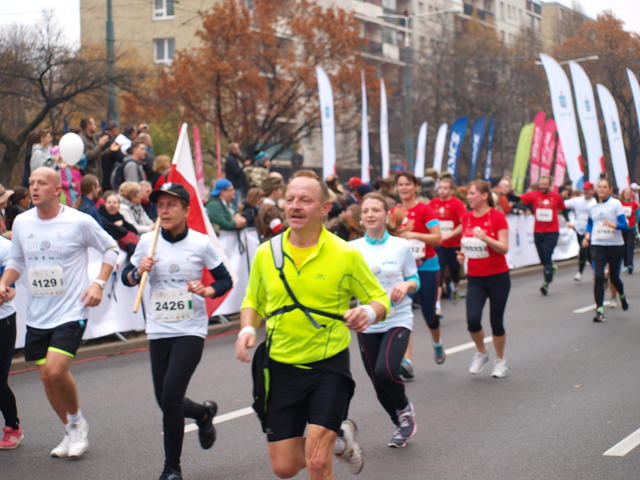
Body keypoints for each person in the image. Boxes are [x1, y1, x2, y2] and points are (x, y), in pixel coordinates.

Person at [235, 170, 389, 479]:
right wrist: (248, 328)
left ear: (324, 208)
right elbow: (253, 300)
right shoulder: (267, 253)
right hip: (280, 366)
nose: (295, 206)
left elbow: (379, 299)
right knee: (284, 468)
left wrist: (368, 313)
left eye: (305, 200)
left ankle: (330, 442)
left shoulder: (345, 254)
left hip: (327, 367)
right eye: (290, 199)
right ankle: (340, 441)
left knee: (317, 462)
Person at [0, 167, 118, 458]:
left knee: (55, 369)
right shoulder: (23, 222)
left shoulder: (79, 221)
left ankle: (77, 423)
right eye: (31, 183)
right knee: (46, 377)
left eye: (41, 183)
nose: (34, 188)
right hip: (38, 314)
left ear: (57, 190)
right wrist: (5, 282)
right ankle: (70, 430)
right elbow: (16, 260)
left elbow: (111, 249)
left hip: (72, 310)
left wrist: (99, 283)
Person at [121, 183, 232, 480]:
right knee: (166, 401)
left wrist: (207, 290)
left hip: (190, 329)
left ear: (186, 210)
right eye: (161, 205)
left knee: (171, 394)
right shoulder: (148, 241)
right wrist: (137, 271)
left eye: (172, 205)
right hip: (159, 329)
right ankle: (203, 414)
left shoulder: (200, 243)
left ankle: (172, 469)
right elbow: (125, 278)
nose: (165, 210)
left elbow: (225, 280)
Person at [349, 193, 418, 448]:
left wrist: (405, 285)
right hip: (367, 322)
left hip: (397, 318)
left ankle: (404, 410)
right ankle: (400, 422)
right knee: (378, 382)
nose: (370, 215)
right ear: (361, 217)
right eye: (366, 210)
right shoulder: (352, 249)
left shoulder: (401, 246)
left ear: (386, 215)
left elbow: (415, 279)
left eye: (375, 210)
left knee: (386, 370)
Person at [391, 173, 443, 379]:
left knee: (429, 315)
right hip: (403, 271)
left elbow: (437, 238)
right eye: (400, 184)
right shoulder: (394, 212)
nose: (403, 188)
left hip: (427, 267)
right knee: (404, 313)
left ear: (415, 187)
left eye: (407, 184)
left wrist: (414, 235)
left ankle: (437, 342)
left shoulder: (425, 209)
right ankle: (407, 361)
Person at [457, 180, 510, 377]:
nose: (468, 197)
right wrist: (462, 255)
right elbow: (466, 244)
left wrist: (486, 238)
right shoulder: (467, 218)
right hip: (475, 278)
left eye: (472, 193)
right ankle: (481, 352)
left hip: (498, 277)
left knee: (496, 321)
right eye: (468, 194)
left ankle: (500, 360)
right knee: (472, 320)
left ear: (484, 195)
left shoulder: (497, 216)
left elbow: (504, 248)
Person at [583, 178, 630, 323]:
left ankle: (622, 295)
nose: (602, 189)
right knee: (598, 277)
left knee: (614, 278)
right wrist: (587, 235)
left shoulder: (616, 204)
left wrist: (614, 225)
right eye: (600, 187)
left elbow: (625, 225)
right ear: (596, 189)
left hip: (615, 246)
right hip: (598, 245)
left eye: (605, 187)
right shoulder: (592, 206)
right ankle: (600, 310)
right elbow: (590, 223)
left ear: (609, 189)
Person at [519, 176, 566, 296]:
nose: (543, 186)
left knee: (547, 254)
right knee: (543, 259)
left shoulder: (556, 197)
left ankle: (546, 283)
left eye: (545, 184)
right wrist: (506, 194)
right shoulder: (534, 195)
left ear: (550, 185)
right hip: (538, 232)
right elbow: (519, 199)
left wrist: (568, 221)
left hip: (552, 232)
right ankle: (551, 267)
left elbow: (563, 209)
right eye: (541, 184)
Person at [0, 235, 22, 449]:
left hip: (2, 321)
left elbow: (11, 288)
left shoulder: (5, 247)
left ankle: (12, 427)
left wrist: (5, 292)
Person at [429, 177, 467, 300]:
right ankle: (438, 299)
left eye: (445, 188)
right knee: (439, 269)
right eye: (440, 187)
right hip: (439, 245)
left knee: (454, 270)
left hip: (454, 244)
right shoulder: (433, 203)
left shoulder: (457, 204)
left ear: (451, 190)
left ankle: (455, 288)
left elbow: (464, 224)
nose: (442, 190)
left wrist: (448, 235)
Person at [565, 182, 596, 281]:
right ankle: (593, 270)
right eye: (584, 189)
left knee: (585, 251)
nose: (586, 191)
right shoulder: (577, 200)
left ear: (592, 191)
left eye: (588, 189)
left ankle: (581, 272)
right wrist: (567, 220)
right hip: (579, 230)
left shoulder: (595, 202)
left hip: (591, 231)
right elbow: (562, 205)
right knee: (586, 252)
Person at [99, 191, 139, 257]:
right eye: (109, 202)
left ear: (119, 206)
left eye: (114, 203)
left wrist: (123, 223)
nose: (111, 205)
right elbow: (121, 231)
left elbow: (134, 230)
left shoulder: (119, 216)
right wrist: (119, 227)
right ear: (105, 204)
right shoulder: (101, 215)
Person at [619, 187, 638, 274]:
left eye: (629, 193)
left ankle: (630, 264)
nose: (627, 194)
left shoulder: (634, 204)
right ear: (623, 194)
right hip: (622, 228)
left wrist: (636, 224)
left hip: (631, 228)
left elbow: (638, 216)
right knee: (623, 247)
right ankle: (626, 264)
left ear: (631, 194)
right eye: (625, 193)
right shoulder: (619, 204)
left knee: (630, 247)